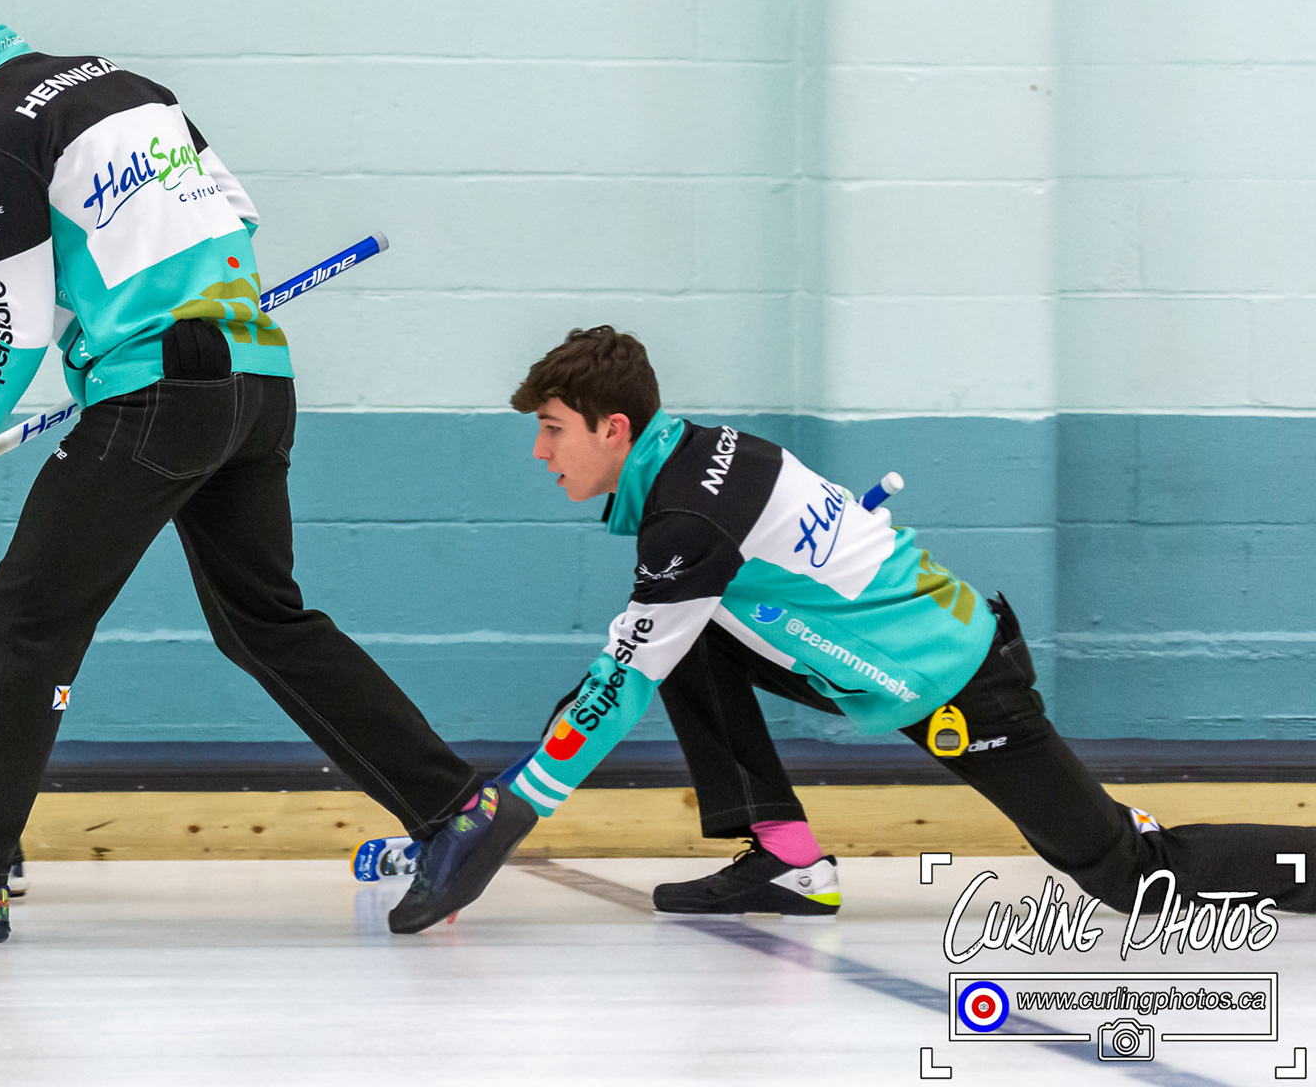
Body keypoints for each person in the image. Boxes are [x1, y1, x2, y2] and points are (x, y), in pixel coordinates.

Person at [0, 0, 486, 942]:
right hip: (255, 378)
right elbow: (235, 214)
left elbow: (11, 332)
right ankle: (457, 810)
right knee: (265, 621)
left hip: (159, 391)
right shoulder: (125, 84)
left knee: (24, 621)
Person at [387, 324, 1316, 933]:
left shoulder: (688, 519)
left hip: (957, 678)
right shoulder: (704, 452)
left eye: (552, 428)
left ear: (614, 428)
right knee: (677, 635)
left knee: (1133, 876)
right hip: (892, 653)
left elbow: (616, 686)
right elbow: (642, 649)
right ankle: (787, 859)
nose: (540, 450)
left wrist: (508, 812)